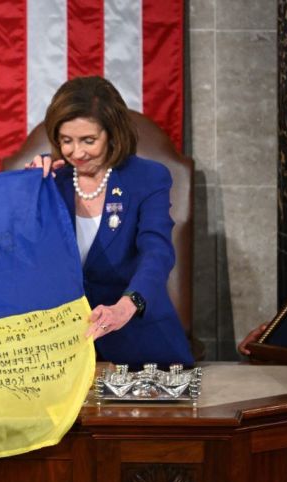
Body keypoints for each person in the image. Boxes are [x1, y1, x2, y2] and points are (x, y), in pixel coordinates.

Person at [28, 76, 193, 369]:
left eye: (88, 140)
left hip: (137, 341)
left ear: (113, 134)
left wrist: (127, 306)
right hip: (61, 350)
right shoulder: (49, 180)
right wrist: (27, 190)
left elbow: (157, 252)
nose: (76, 153)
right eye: (66, 141)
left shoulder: (147, 178)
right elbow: (19, 256)